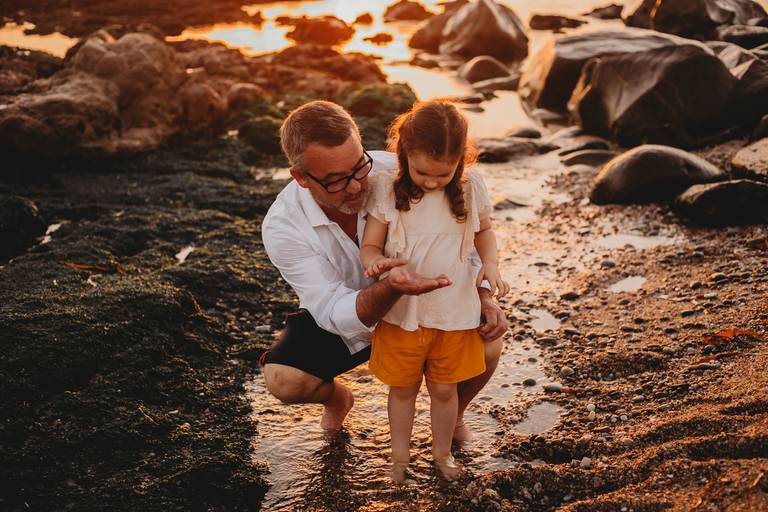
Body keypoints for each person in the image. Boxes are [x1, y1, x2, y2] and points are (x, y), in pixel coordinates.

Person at [260, 100, 508, 442]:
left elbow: (465, 234)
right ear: (301, 177)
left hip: (428, 306)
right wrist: (391, 286)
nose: (355, 186)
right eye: (335, 180)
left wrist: (483, 296)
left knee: (489, 339)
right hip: (350, 321)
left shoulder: (405, 170)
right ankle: (339, 401)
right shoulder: (282, 227)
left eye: (359, 167)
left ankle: (455, 416)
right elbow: (332, 311)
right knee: (284, 380)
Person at [359, 100, 510, 482]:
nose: (431, 182)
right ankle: (399, 460)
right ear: (404, 152)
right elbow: (370, 246)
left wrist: (491, 266)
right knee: (403, 391)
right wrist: (374, 264)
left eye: (443, 175)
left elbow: (484, 233)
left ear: (461, 159)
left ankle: (442, 457)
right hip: (401, 315)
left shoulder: (471, 184)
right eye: (423, 172)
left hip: (453, 314)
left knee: (445, 392)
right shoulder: (385, 188)